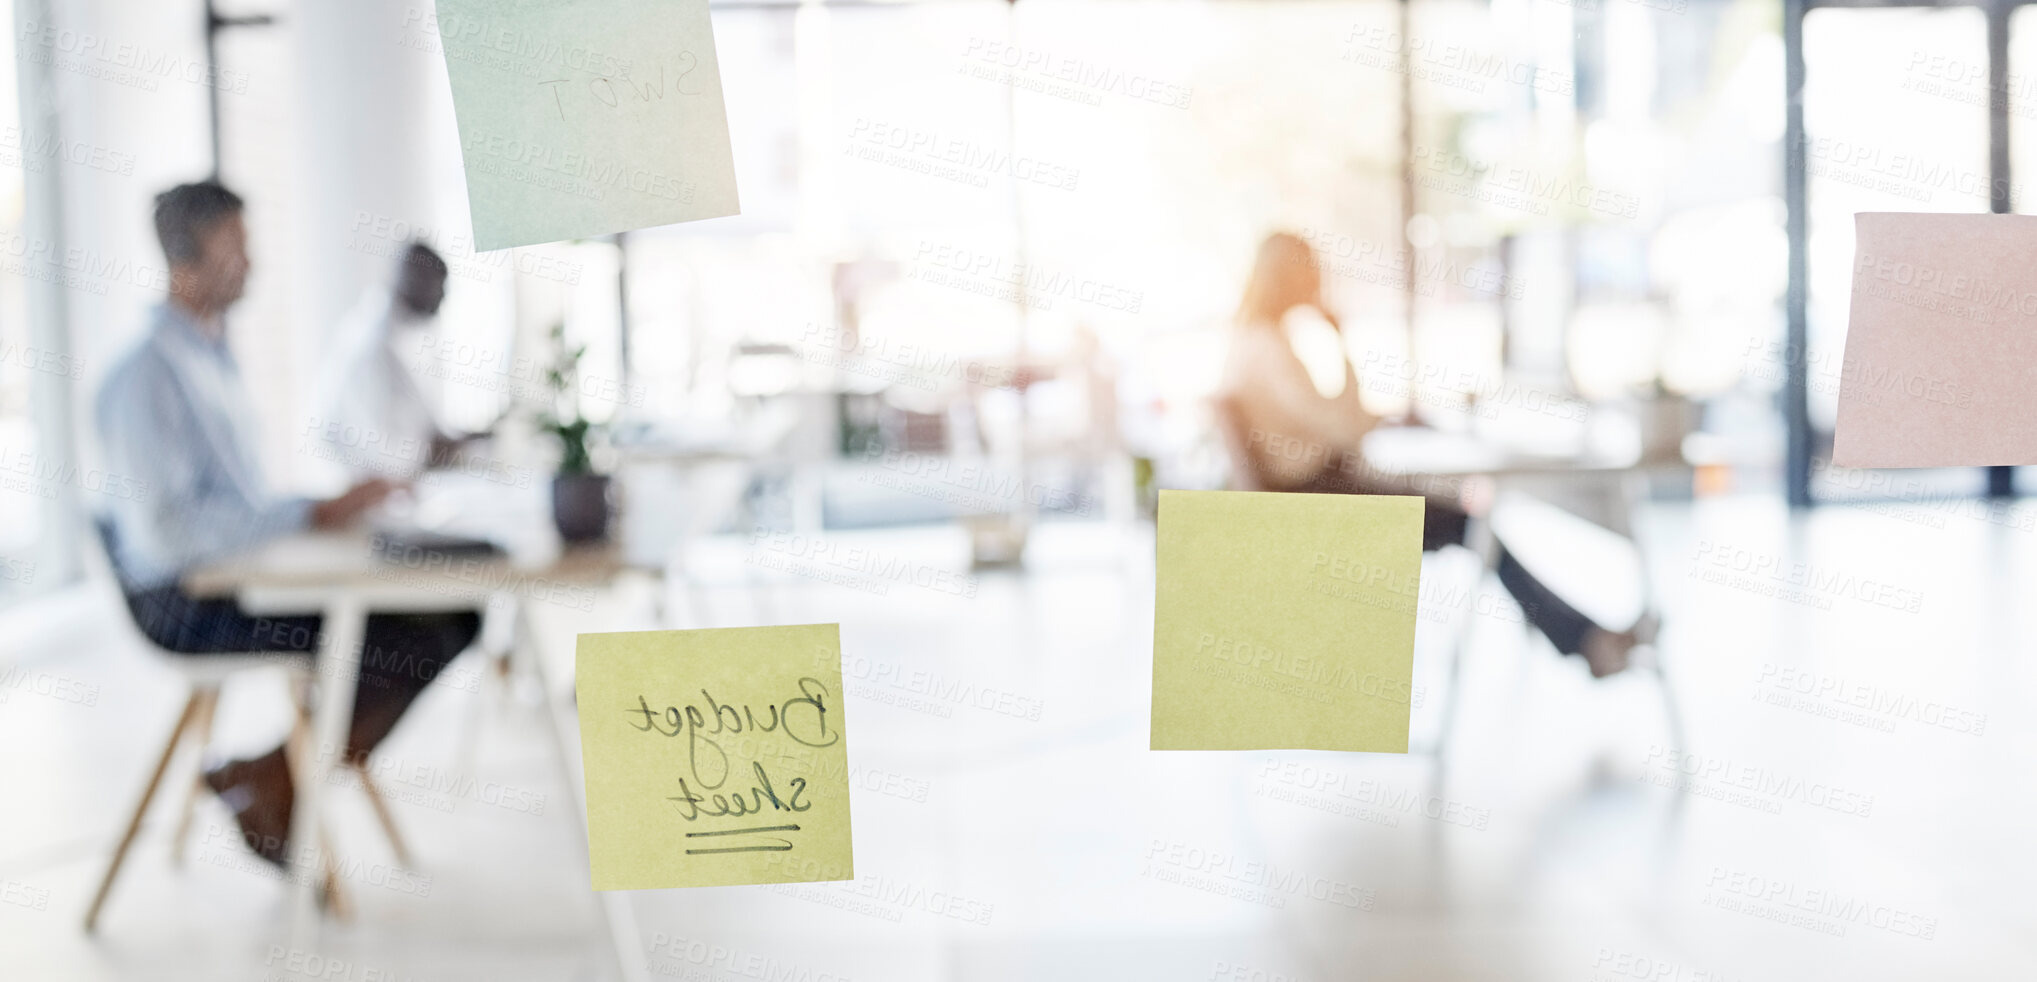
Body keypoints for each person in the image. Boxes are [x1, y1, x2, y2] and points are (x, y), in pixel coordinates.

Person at [96, 181, 482, 865]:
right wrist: (307, 513)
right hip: (188, 603)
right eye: (236, 248)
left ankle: (271, 777)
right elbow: (168, 533)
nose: (253, 263)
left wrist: (315, 513)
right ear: (187, 258)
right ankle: (275, 781)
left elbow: (236, 508)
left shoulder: (212, 356)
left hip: (232, 576)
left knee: (456, 611)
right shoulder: (144, 378)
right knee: (424, 624)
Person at [1219, 231, 1653, 677]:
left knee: (1460, 510)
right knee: (1470, 523)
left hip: (1318, 495)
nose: (1318, 281)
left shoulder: (1251, 342)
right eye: (1308, 270)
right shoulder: (1268, 348)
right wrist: (1341, 340)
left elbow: (1344, 430)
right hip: (1321, 506)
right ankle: (1586, 641)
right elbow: (1351, 430)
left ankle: (1583, 638)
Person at [319, 241, 474, 478]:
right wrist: (435, 450)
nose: (443, 297)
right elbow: (382, 450)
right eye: (439, 285)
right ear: (413, 279)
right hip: (367, 493)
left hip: (395, 487)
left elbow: (417, 421)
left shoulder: (407, 333)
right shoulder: (372, 343)